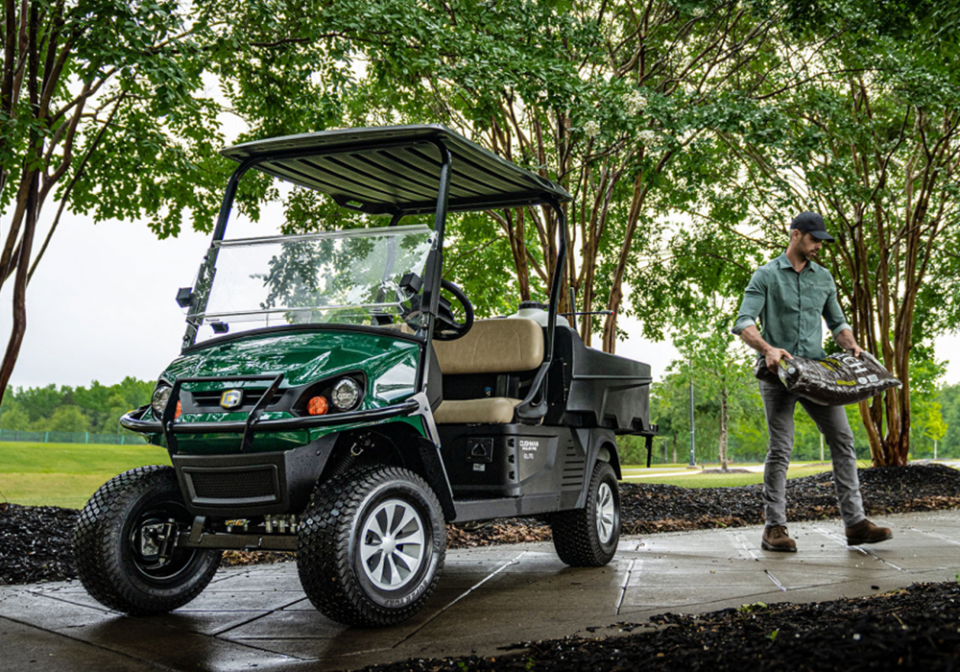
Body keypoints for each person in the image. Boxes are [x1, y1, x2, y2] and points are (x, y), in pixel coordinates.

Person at [731, 211, 892, 552]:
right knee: (781, 448)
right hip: (779, 375)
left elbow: (838, 323)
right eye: (814, 239)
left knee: (843, 439)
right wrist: (767, 348)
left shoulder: (824, 278)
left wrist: (851, 344)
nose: (819, 245)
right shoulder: (766, 275)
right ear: (795, 235)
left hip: (817, 374)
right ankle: (774, 528)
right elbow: (744, 321)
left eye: (821, 240)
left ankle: (855, 524)